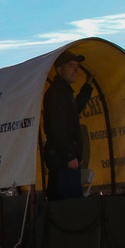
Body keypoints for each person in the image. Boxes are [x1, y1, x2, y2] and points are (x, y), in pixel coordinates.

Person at [42, 50, 94, 200]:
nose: (76, 70)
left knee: (69, 203)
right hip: (62, 160)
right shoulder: (56, 94)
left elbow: (75, 109)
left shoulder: (64, 92)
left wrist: (88, 86)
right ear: (59, 70)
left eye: (77, 66)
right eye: (71, 66)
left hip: (65, 159)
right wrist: (69, 155)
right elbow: (55, 127)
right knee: (67, 206)